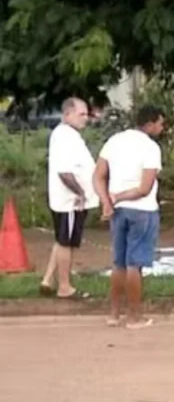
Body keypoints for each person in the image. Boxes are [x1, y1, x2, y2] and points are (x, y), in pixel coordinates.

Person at [94, 106, 166, 329]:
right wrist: (118, 197)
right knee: (135, 264)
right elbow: (144, 189)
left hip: (119, 212)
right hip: (142, 210)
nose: (162, 128)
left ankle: (114, 315)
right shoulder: (150, 148)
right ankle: (134, 317)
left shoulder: (114, 141)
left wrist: (108, 200)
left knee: (119, 264)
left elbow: (98, 175)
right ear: (150, 124)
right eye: (160, 124)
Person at [40, 97, 98, 299]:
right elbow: (64, 172)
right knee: (67, 242)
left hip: (68, 199)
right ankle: (64, 286)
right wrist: (80, 193)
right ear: (67, 115)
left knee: (62, 238)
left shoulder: (68, 135)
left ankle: (48, 279)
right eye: (81, 114)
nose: (86, 118)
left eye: (86, 114)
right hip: (70, 201)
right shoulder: (64, 136)